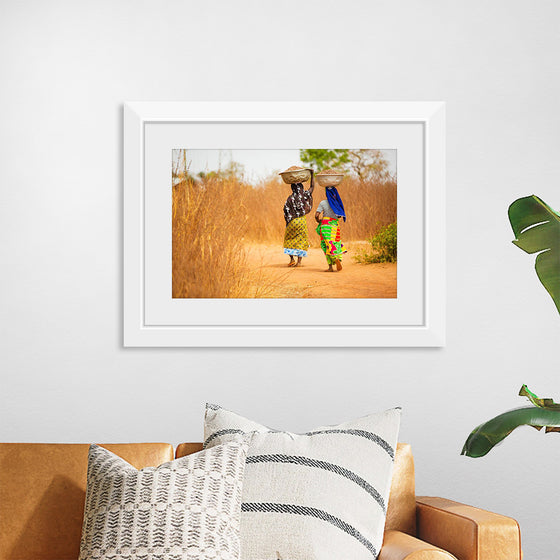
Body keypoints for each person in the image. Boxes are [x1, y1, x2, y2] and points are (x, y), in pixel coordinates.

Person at [283, 171, 314, 267]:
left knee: (289, 239)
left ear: (292, 188)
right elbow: (312, 187)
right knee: (301, 240)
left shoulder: (290, 198)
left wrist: (288, 221)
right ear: (301, 187)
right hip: (301, 221)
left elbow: (285, 209)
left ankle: (291, 259)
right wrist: (312, 174)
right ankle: (299, 262)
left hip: (292, 221)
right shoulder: (304, 195)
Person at [315, 184, 347, 271]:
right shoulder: (337, 203)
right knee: (335, 242)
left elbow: (316, 215)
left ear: (326, 194)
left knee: (326, 244)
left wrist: (319, 221)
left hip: (325, 225)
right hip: (335, 225)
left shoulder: (323, 203)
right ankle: (337, 258)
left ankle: (330, 267)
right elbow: (339, 215)